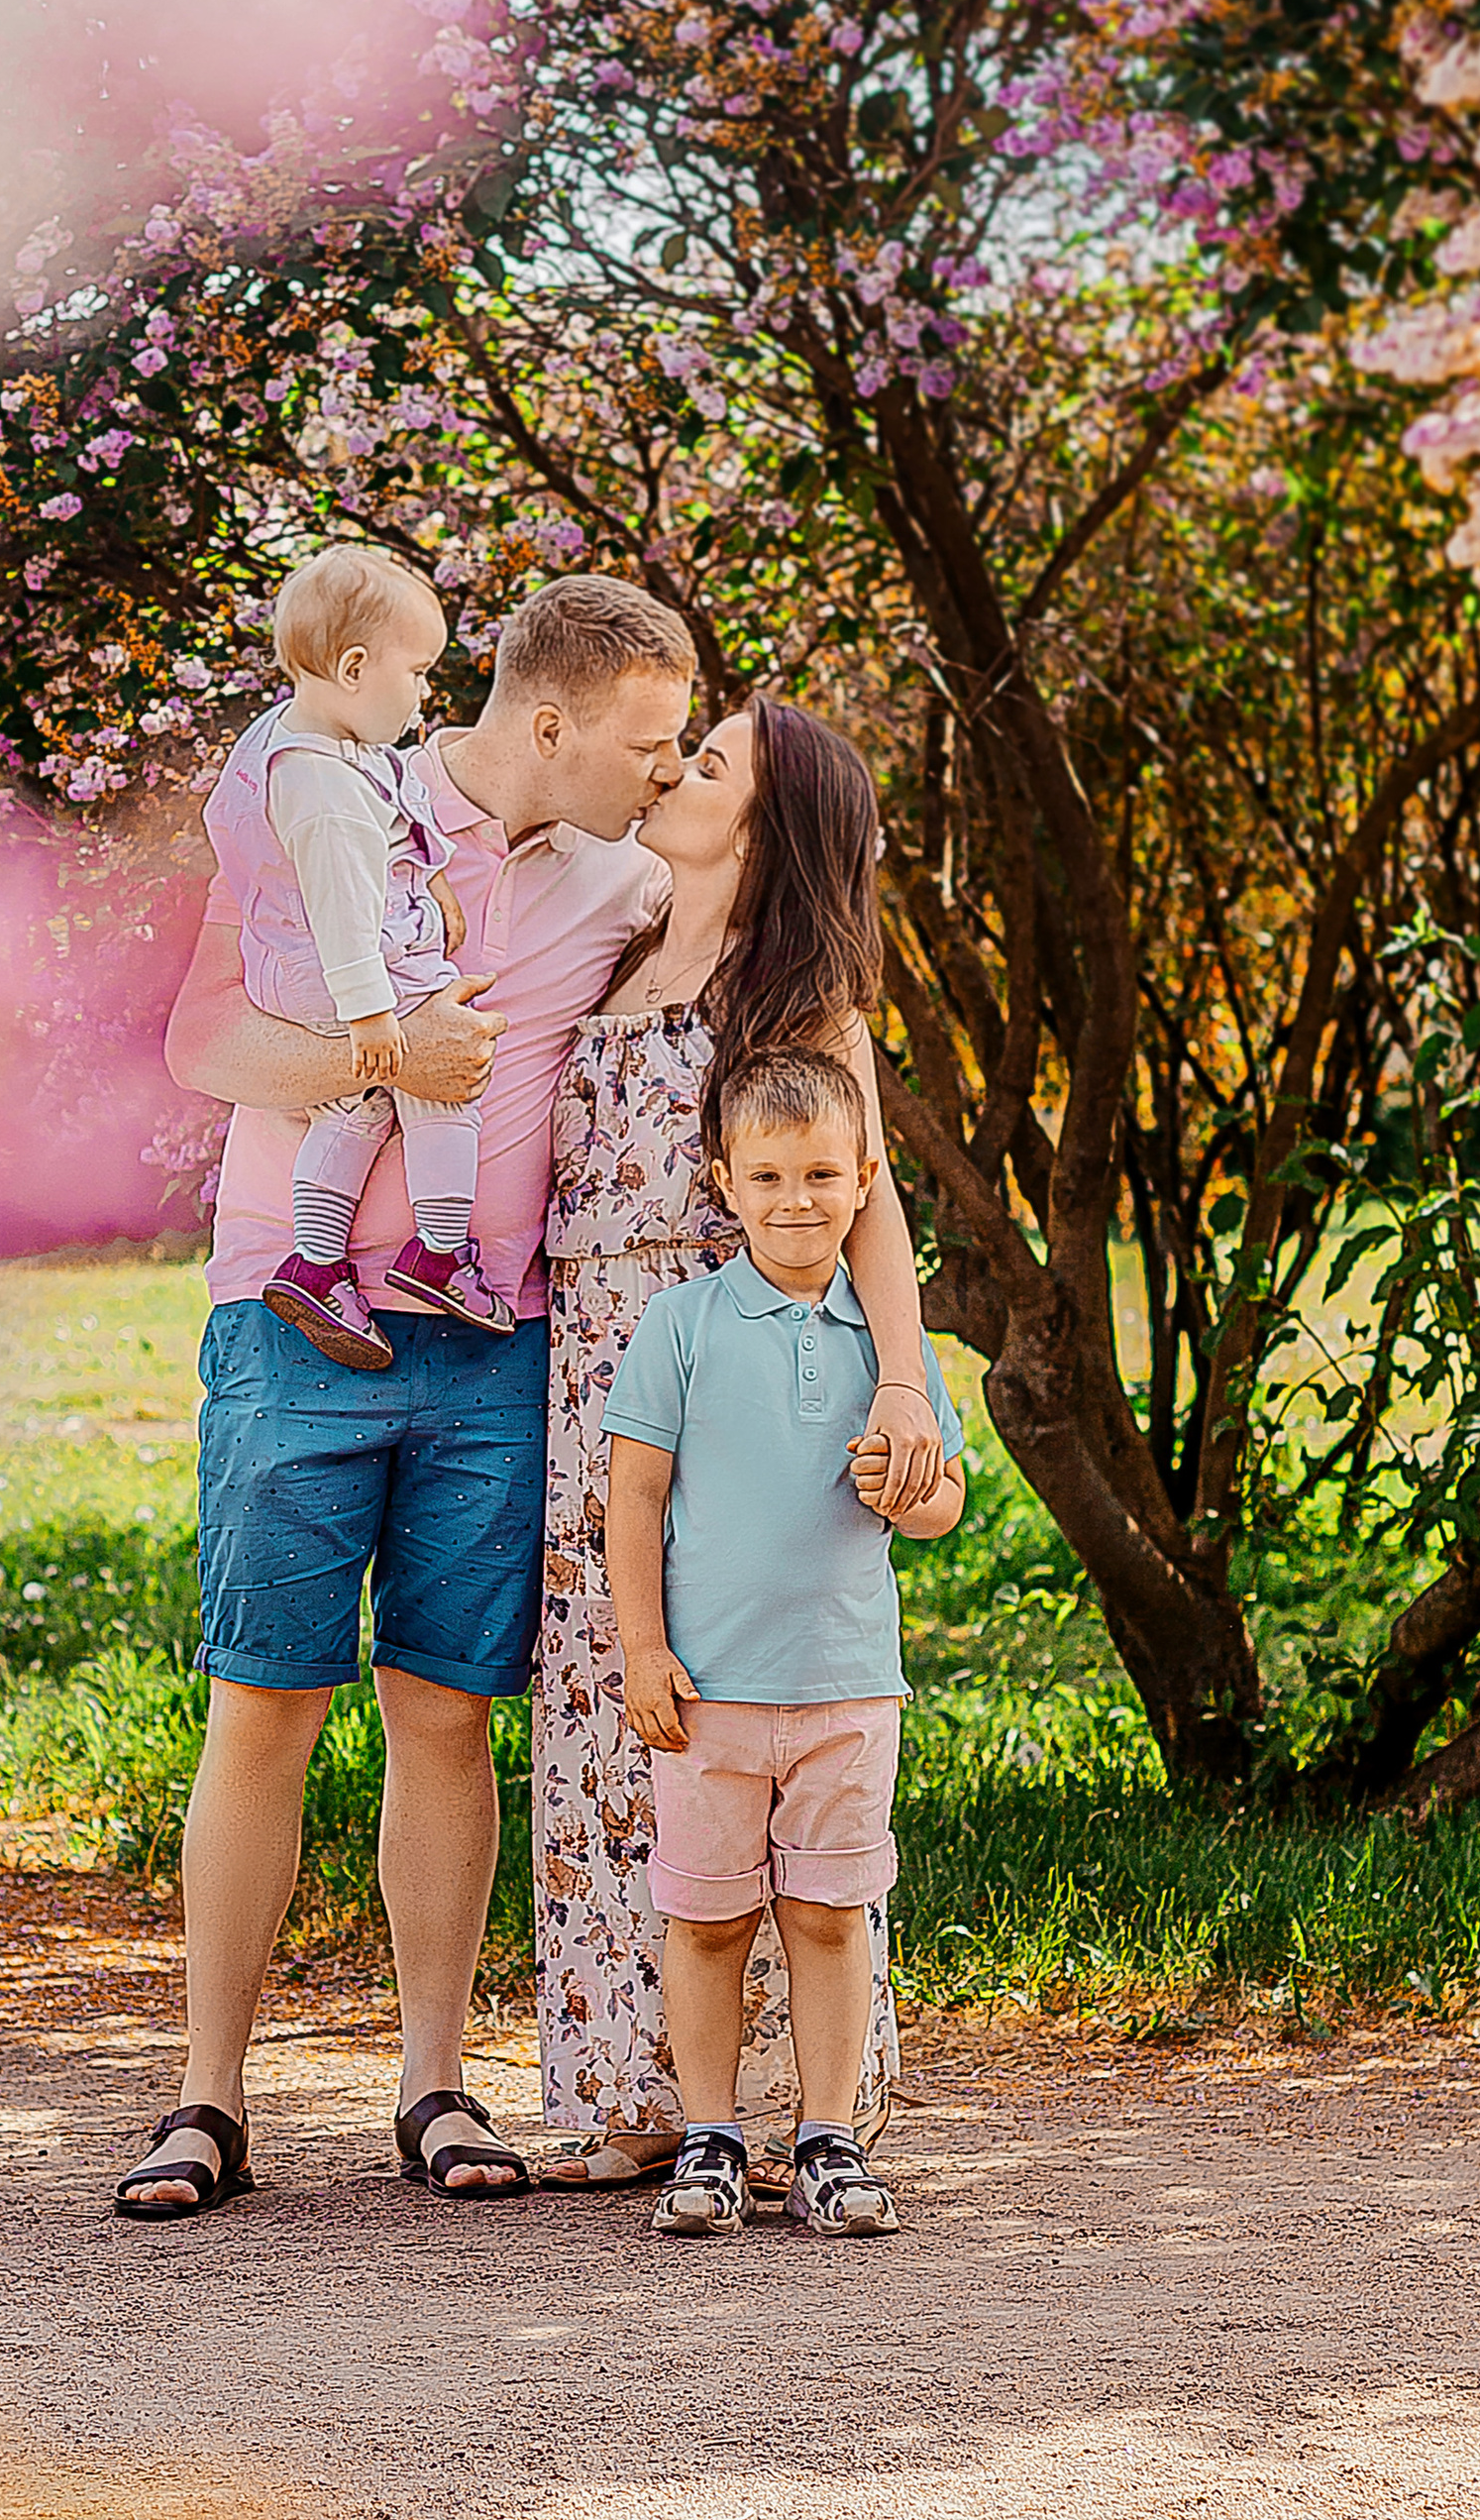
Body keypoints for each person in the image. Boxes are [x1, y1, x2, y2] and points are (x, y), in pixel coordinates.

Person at [113, 573, 699, 2217]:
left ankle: (435, 2085)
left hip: (488, 1339)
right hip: (294, 1320)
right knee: (268, 1700)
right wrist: (386, 1063)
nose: (661, 771)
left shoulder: (623, 882)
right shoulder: (339, 786)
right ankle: (206, 2103)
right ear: (552, 720)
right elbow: (205, 1040)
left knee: (445, 1713)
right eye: (645, 742)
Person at [533, 695, 946, 2192]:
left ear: (767, 826)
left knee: (754, 1702)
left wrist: (900, 1383)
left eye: (708, 765)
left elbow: (873, 1195)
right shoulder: (613, 945)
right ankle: (636, 2089)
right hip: (594, 1377)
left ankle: (800, 2105)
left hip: (746, 1382)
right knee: (613, 1709)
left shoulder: (798, 998)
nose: (671, 771)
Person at [602, 1043, 965, 2239]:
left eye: (820, 1173)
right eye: (766, 1177)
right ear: (725, 1181)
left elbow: (945, 1500)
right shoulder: (683, 1323)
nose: (795, 1199)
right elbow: (636, 1498)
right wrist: (641, 1648)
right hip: (707, 1691)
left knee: (826, 1914)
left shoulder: (889, 1348)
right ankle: (707, 2136)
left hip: (847, 1686)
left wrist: (904, 1487)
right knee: (706, 1919)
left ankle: (826, 2136)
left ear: (865, 1178)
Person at [200, 543, 512, 1369]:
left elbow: (397, 822)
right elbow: (342, 912)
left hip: (324, 963)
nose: (423, 693)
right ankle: (441, 1252)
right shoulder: (324, 791)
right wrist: (376, 1021)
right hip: (340, 972)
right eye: (415, 672)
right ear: (353, 666)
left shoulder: (323, 737)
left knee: (360, 1104)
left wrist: (436, 878)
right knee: (443, 1081)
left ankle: (314, 1264)